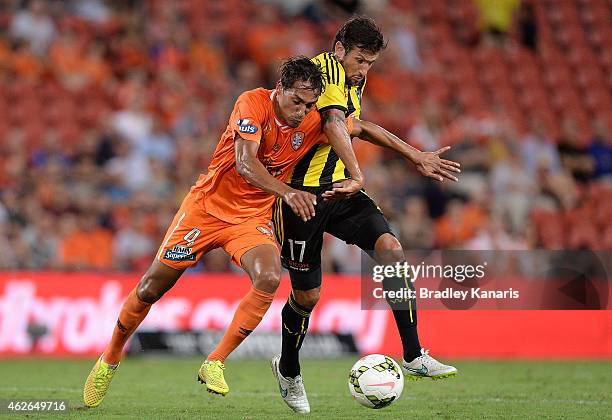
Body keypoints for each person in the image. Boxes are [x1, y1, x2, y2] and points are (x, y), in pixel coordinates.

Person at [83, 56, 365, 407]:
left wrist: (415, 156)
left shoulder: (313, 119)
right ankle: (110, 357)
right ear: (280, 89)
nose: (301, 111)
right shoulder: (252, 103)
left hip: (250, 218)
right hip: (205, 210)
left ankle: (215, 361)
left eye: (309, 105)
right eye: (297, 101)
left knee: (269, 276)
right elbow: (246, 164)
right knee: (151, 287)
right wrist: (289, 192)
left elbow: (361, 129)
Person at [271, 17, 460, 413]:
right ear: (340, 49)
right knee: (308, 296)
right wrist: (359, 173)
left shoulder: (352, 79)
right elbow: (334, 122)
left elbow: (359, 126)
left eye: (370, 64)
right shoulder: (321, 74)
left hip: (339, 190)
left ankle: (412, 355)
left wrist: (415, 156)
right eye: (359, 60)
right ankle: (288, 369)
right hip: (301, 197)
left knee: (391, 249)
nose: (363, 70)